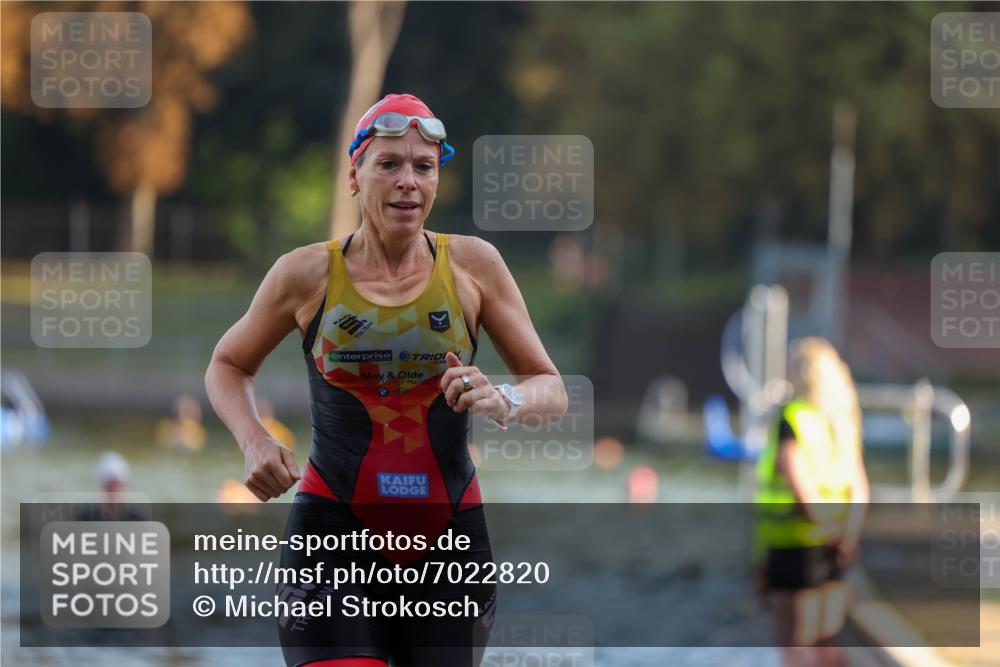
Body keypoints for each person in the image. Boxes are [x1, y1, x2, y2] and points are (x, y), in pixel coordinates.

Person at [205, 92, 568, 667]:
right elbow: (228, 365)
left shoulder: (473, 266)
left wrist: (503, 397)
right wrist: (254, 439)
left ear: (437, 180)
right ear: (355, 176)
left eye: (424, 167)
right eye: (389, 164)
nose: (408, 182)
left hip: (448, 545)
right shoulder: (305, 274)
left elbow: (551, 387)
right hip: (331, 537)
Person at [754, 337, 870, 667]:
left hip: (794, 544)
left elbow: (799, 483)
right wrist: (847, 535)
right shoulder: (842, 421)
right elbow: (859, 487)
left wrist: (825, 527)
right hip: (839, 546)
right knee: (828, 639)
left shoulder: (793, 418)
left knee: (795, 643)